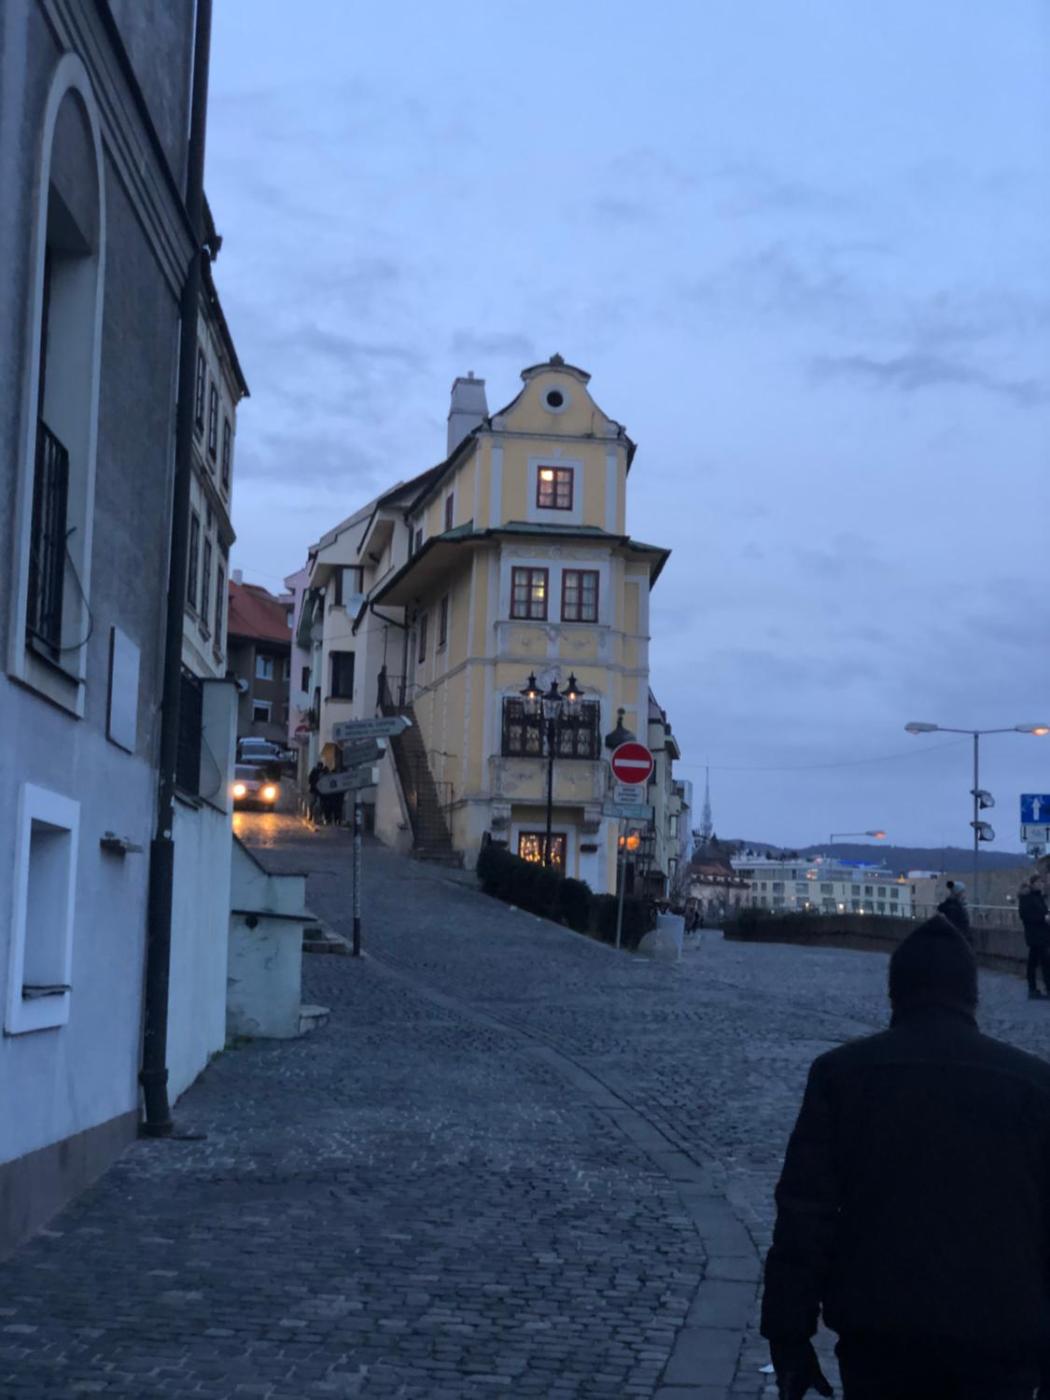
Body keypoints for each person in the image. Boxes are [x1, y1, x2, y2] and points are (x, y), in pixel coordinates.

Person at [761, 915, 1050, 1400]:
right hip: (1000, 1342)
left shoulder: (840, 1076)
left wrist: (788, 1334)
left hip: (879, 1338)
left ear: (895, 993)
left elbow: (804, 1216)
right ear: (972, 995)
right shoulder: (1034, 1086)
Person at [1019, 876, 1050, 1001]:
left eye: (1042, 882)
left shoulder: (1038, 896)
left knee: (1034, 962)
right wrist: (1043, 918)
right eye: (1039, 882)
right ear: (1032, 884)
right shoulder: (1026, 898)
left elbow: (1043, 911)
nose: (1041, 884)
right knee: (1045, 962)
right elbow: (1025, 916)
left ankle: (1033, 989)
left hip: (1042, 934)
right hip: (1035, 935)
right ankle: (1043, 988)